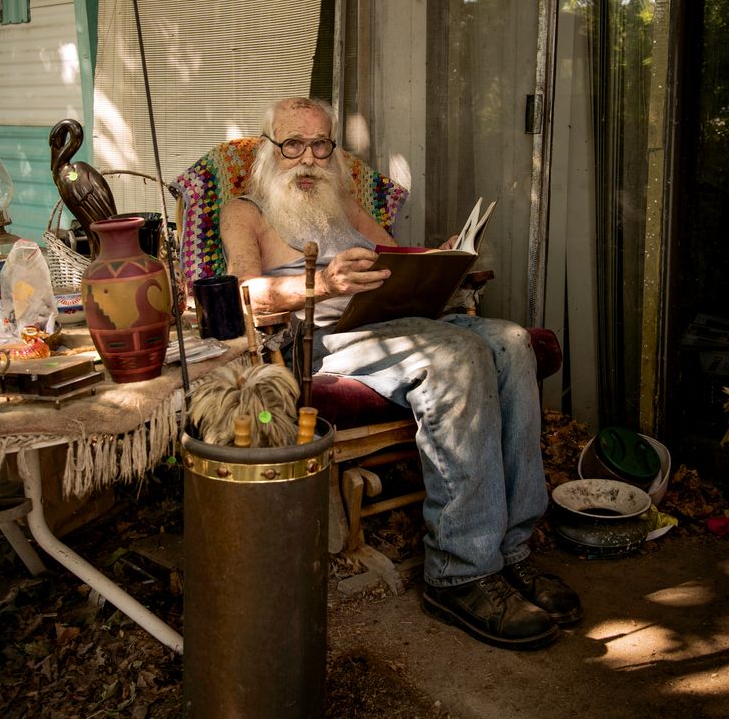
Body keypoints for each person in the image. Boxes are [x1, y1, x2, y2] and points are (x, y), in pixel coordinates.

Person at [220, 97, 581, 649]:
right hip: (328, 338)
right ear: (269, 148)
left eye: (321, 145)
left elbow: (397, 259)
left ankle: (512, 552)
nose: (308, 158)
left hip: (398, 319)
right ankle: (460, 572)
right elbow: (246, 298)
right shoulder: (246, 212)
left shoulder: (344, 202)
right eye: (292, 144)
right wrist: (325, 285)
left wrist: (440, 261)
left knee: (510, 343)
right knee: (459, 357)